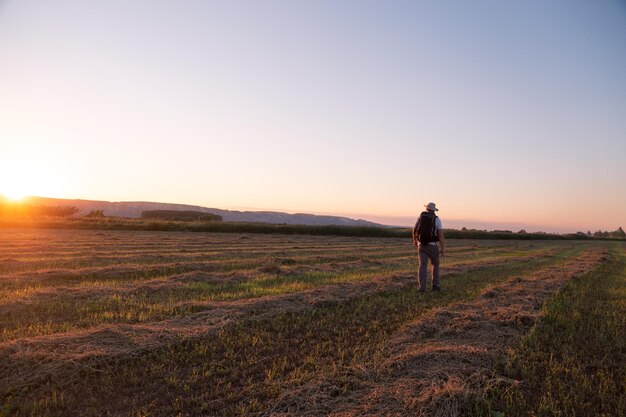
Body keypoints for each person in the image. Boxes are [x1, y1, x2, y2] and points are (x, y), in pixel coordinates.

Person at [412, 202, 445, 292]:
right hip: (433, 246)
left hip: (421, 245)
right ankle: (435, 286)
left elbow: (414, 229)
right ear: (434, 210)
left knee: (422, 266)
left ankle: (421, 288)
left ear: (427, 209)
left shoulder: (420, 217)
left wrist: (414, 240)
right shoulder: (437, 220)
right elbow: (440, 235)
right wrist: (442, 248)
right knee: (435, 266)